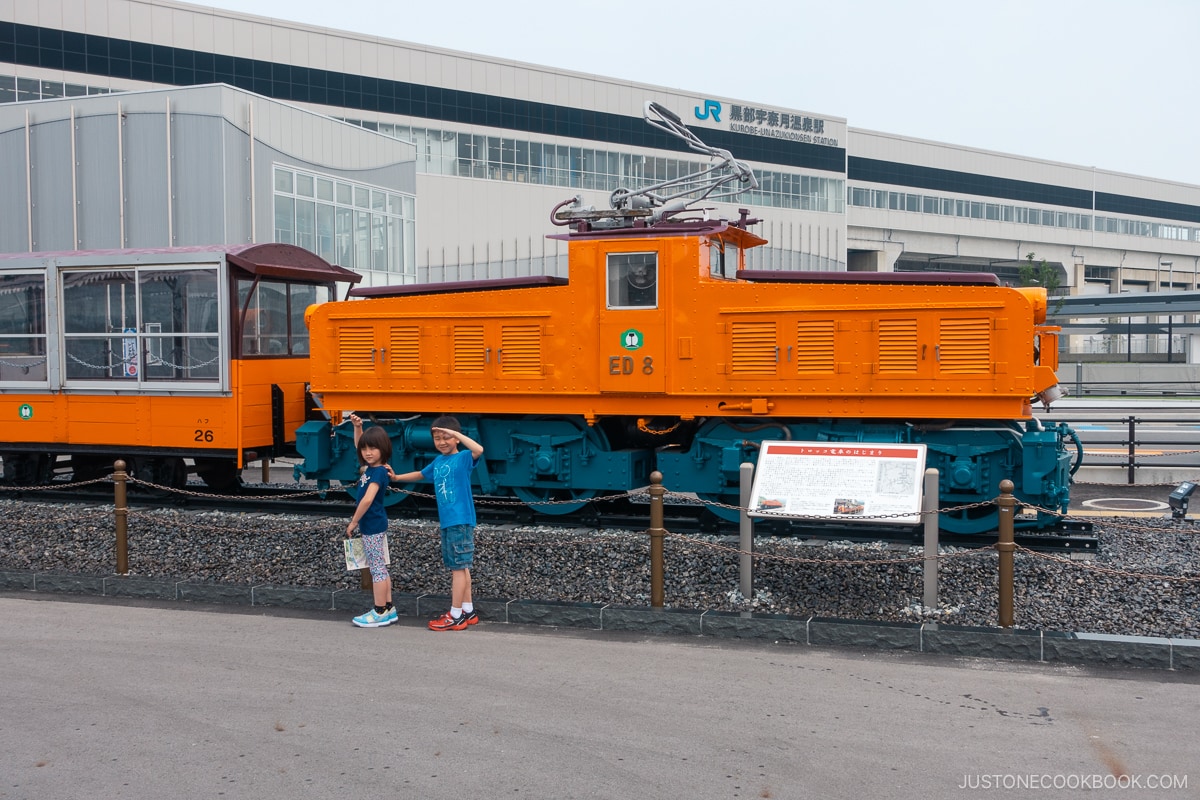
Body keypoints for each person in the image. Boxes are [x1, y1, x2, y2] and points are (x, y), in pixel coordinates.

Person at [390, 415, 484, 631]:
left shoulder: (463, 458)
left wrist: (457, 434)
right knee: (462, 567)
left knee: (458, 569)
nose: (442, 442)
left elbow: (479, 449)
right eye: (437, 438)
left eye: (446, 437)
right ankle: (468, 611)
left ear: (456, 439)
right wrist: (396, 478)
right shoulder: (439, 461)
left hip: (460, 520)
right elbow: (421, 475)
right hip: (450, 521)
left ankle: (456, 615)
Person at [345, 414, 396, 628]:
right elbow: (359, 446)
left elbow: (367, 500)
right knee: (380, 567)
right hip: (376, 524)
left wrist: (354, 522)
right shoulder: (374, 468)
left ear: (383, 449)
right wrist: (359, 427)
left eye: (373, 449)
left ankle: (379, 611)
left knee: (377, 569)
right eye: (366, 449)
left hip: (372, 525)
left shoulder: (377, 473)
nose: (367, 453)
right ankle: (389, 608)